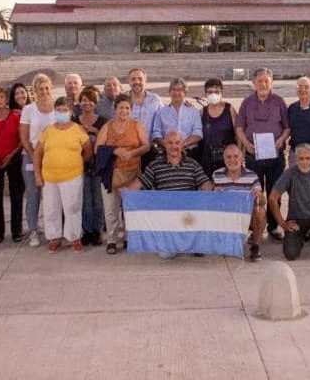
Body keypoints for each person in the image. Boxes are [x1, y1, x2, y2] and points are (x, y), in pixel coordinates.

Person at [125, 130, 214, 259]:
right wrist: (126, 193)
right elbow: (140, 182)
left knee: (197, 245)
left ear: (182, 145)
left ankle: (192, 241)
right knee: (165, 254)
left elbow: (205, 184)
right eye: (170, 143)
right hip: (167, 218)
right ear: (165, 145)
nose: (174, 146)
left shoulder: (192, 164)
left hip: (188, 216)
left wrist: (212, 190)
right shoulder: (155, 165)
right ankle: (179, 243)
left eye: (177, 143)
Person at [235, 67, 290, 239]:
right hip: (253, 155)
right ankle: (256, 228)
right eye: (260, 81)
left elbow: (287, 127)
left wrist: (281, 140)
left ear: (271, 82)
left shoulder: (279, 102)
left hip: (275, 156)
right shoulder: (247, 103)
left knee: (275, 192)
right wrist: (246, 144)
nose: (263, 84)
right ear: (253, 83)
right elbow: (239, 128)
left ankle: (273, 227)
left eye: (266, 80)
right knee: (255, 193)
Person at [33, 98, 92, 254]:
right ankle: (54, 238)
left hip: (72, 176)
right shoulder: (48, 130)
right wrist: (38, 175)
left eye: (64, 110)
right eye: (58, 110)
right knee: (51, 209)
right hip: (50, 178)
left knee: (73, 207)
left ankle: (74, 238)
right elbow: (37, 153)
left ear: (71, 112)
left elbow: (88, 151)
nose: (61, 113)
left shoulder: (78, 130)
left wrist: (76, 163)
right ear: (55, 111)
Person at [96, 94, 151, 255]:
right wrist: (114, 150)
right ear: (115, 109)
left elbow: (146, 146)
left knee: (129, 207)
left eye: (127, 107)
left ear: (131, 110)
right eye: (121, 107)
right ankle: (112, 240)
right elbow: (97, 149)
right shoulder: (107, 126)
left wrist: (133, 153)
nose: (124, 110)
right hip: (111, 173)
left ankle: (129, 237)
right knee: (111, 208)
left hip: (132, 173)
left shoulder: (136, 125)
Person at [19, 73, 56, 246]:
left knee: (51, 195)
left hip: (52, 158)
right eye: (40, 88)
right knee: (33, 195)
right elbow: (24, 138)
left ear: (51, 88)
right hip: (31, 157)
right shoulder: (28, 110)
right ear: (34, 91)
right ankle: (33, 230)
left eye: (47, 88)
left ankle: (52, 230)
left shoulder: (58, 108)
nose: (44, 91)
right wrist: (35, 157)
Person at [212, 144, 266, 261]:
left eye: (236, 156)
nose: (232, 160)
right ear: (224, 159)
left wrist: (259, 196)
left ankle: (255, 246)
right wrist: (214, 193)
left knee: (260, 211)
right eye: (229, 157)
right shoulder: (217, 175)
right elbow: (211, 202)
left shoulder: (252, 175)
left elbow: (262, 202)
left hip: (246, 217)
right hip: (226, 217)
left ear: (242, 159)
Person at [0, 87, 24, 243]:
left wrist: (10, 155)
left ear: (6, 99)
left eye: (1, 97)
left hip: (13, 158)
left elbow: (22, 140)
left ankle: (16, 231)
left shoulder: (15, 116)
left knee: (16, 195)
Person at [77, 87, 108, 245]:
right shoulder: (74, 120)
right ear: (79, 102)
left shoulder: (102, 121)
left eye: (90, 100)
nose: (86, 103)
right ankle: (87, 230)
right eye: (83, 100)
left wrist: (95, 131)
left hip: (98, 166)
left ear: (95, 103)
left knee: (98, 199)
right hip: (80, 165)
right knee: (85, 200)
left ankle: (98, 230)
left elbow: (107, 142)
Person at [199, 78, 238, 177]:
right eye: (210, 92)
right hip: (207, 161)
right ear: (206, 94)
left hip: (228, 160)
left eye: (216, 92)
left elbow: (238, 133)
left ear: (221, 93)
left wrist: (239, 155)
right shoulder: (202, 112)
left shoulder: (230, 110)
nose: (213, 94)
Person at [151, 78, 202, 150]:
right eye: (173, 90)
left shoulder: (194, 112)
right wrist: (166, 144)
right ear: (169, 92)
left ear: (185, 92)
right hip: (167, 151)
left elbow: (198, 133)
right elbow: (156, 132)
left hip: (189, 151)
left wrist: (183, 144)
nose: (176, 93)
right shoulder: (161, 112)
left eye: (179, 90)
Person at [128, 68, 162, 136]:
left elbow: (164, 116)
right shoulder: (123, 99)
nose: (137, 82)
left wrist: (183, 103)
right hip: (128, 144)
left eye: (140, 79)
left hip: (150, 144)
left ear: (145, 80)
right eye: (133, 79)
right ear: (129, 81)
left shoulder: (155, 100)